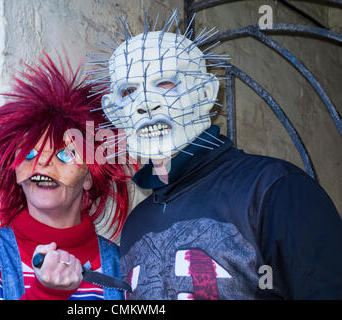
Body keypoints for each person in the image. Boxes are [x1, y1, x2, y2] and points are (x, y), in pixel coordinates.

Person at [89, 10, 342, 299]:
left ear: (207, 93)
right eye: (128, 91)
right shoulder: (136, 224)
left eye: (165, 83)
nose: (146, 104)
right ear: (112, 110)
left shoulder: (276, 190)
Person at [0, 53, 132, 300]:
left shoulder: (124, 266)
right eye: (29, 153)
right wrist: (46, 294)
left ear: (89, 175)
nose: (42, 164)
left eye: (65, 154)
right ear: (15, 173)